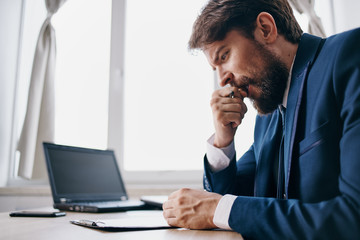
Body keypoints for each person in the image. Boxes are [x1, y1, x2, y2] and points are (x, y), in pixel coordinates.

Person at [162, 0, 360, 239]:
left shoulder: (349, 55)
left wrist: (217, 209)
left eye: (224, 55)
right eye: (215, 68)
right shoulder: (268, 117)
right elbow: (229, 202)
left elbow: (353, 217)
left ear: (265, 28)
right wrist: (223, 140)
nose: (223, 80)